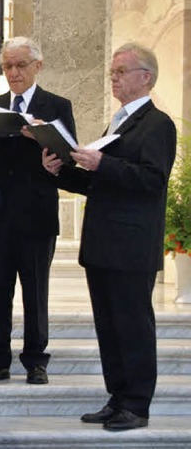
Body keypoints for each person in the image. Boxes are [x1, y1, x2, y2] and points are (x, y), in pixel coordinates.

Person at [40, 43, 176, 430]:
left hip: (132, 246)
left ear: (145, 77)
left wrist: (104, 162)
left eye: (120, 71)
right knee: (110, 327)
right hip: (103, 243)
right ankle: (117, 397)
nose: (113, 78)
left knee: (133, 325)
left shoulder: (158, 124)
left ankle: (137, 404)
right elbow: (101, 184)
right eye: (112, 72)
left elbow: (151, 181)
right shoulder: (118, 121)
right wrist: (61, 171)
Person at [0, 36, 76, 385]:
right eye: (8, 66)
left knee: (36, 291)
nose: (14, 72)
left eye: (21, 65)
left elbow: (69, 159)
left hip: (37, 214)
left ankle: (36, 360)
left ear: (38, 66)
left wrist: (42, 137)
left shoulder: (57, 106)